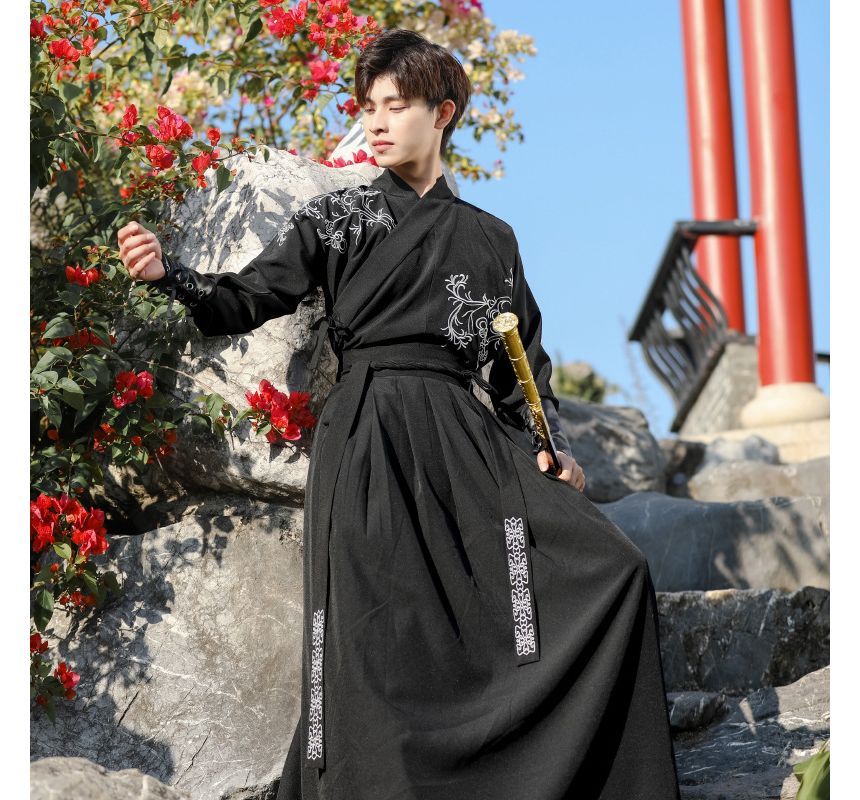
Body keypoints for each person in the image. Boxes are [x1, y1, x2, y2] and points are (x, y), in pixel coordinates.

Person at [117, 27, 680, 800]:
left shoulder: (491, 238)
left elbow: (520, 365)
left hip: (468, 444)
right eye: (369, 107)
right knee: (375, 632)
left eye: (396, 106)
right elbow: (244, 300)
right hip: (367, 437)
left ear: (442, 113)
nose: (376, 122)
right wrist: (168, 275)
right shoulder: (337, 219)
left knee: (617, 571)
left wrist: (551, 447)